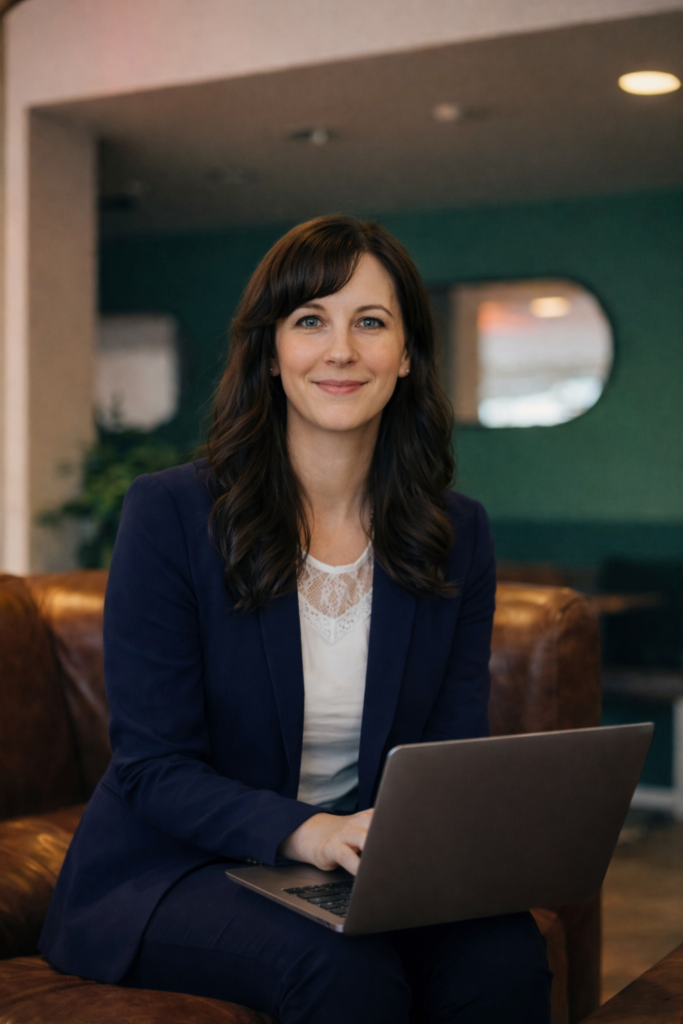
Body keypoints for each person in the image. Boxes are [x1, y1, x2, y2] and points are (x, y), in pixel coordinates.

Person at [40, 215, 551, 1022]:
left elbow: (449, 748)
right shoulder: (171, 513)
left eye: (370, 323)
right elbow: (153, 766)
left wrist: (414, 847)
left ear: (407, 354)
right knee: (343, 971)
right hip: (176, 867)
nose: (340, 350)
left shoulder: (458, 533)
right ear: (272, 353)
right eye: (309, 320)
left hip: (360, 868)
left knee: (504, 957)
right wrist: (309, 832)